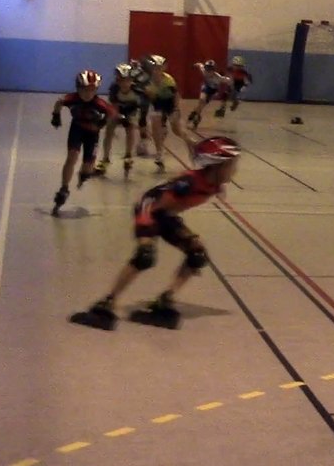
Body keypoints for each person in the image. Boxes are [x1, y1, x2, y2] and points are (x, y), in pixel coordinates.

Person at [69, 136, 240, 331]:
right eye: (232, 165)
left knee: (197, 254)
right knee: (145, 257)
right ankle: (107, 302)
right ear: (217, 166)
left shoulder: (215, 183)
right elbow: (152, 202)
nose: (235, 170)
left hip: (166, 214)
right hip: (150, 210)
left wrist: (187, 235)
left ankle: (166, 299)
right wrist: (146, 235)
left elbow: (170, 215)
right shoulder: (188, 184)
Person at [51, 70, 117, 216]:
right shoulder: (71, 99)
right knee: (72, 157)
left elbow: (112, 113)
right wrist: (56, 116)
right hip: (77, 129)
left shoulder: (100, 104)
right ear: (78, 88)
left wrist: (102, 123)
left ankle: (85, 174)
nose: (88, 94)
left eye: (92, 90)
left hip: (92, 135)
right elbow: (59, 102)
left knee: (87, 169)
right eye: (85, 90)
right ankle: (64, 188)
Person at [141, 54, 185, 172]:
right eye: (155, 68)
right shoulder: (146, 81)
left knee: (177, 131)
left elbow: (176, 95)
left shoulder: (168, 80)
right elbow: (148, 99)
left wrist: (176, 109)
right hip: (157, 104)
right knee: (156, 126)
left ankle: (192, 144)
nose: (157, 71)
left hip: (169, 104)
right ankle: (159, 154)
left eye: (160, 68)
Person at [98, 63, 142, 179]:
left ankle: (128, 155)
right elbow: (114, 107)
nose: (124, 84)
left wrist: (141, 123)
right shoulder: (114, 88)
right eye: (121, 81)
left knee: (130, 128)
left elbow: (142, 108)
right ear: (117, 80)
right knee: (109, 129)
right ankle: (105, 158)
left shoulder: (137, 90)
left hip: (132, 110)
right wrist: (118, 116)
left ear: (131, 80)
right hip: (118, 109)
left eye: (127, 80)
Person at [187, 60, 232, 129]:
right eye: (207, 69)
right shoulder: (204, 71)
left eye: (210, 70)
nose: (208, 72)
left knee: (200, 107)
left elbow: (227, 80)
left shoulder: (218, 77)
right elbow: (200, 64)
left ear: (214, 71)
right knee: (201, 101)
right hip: (206, 87)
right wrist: (194, 65)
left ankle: (195, 114)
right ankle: (195, 116)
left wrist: (230, 83)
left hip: (212, 91)